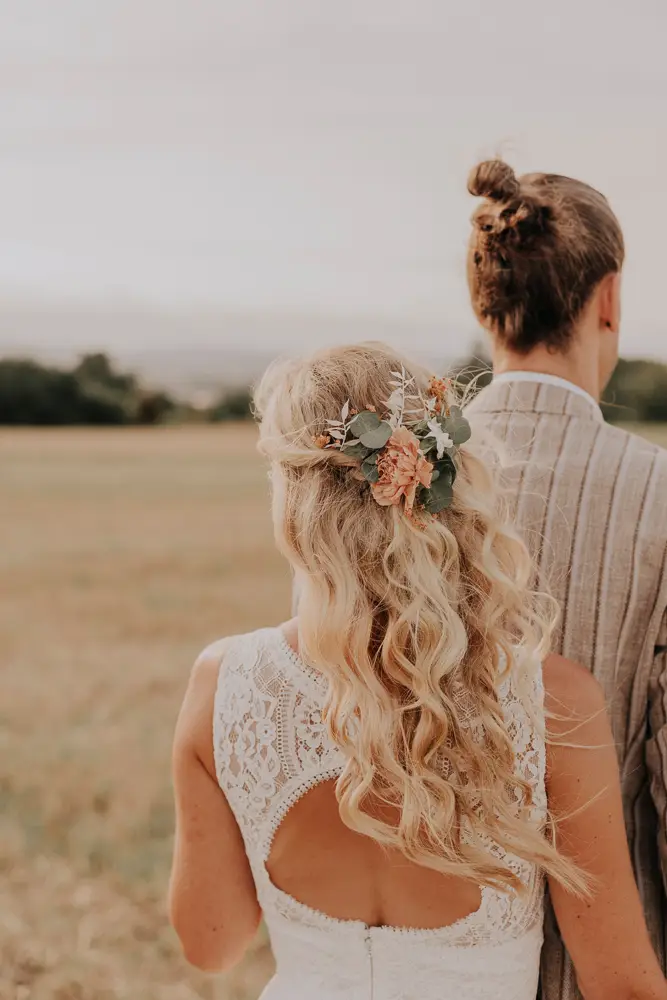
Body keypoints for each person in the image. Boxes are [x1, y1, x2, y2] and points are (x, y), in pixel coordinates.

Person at [169, 342, 666, 1000]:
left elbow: (212, 943)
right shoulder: (552, 700)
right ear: (441, 477)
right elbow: (620, 988)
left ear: (294, 502)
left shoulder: (222, 682)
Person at [464, 159, 667, 1000]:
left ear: (481, 305)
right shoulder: (659, 495)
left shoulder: (383, 486)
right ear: (608, 298)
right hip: (613, 968)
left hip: (426, 960)